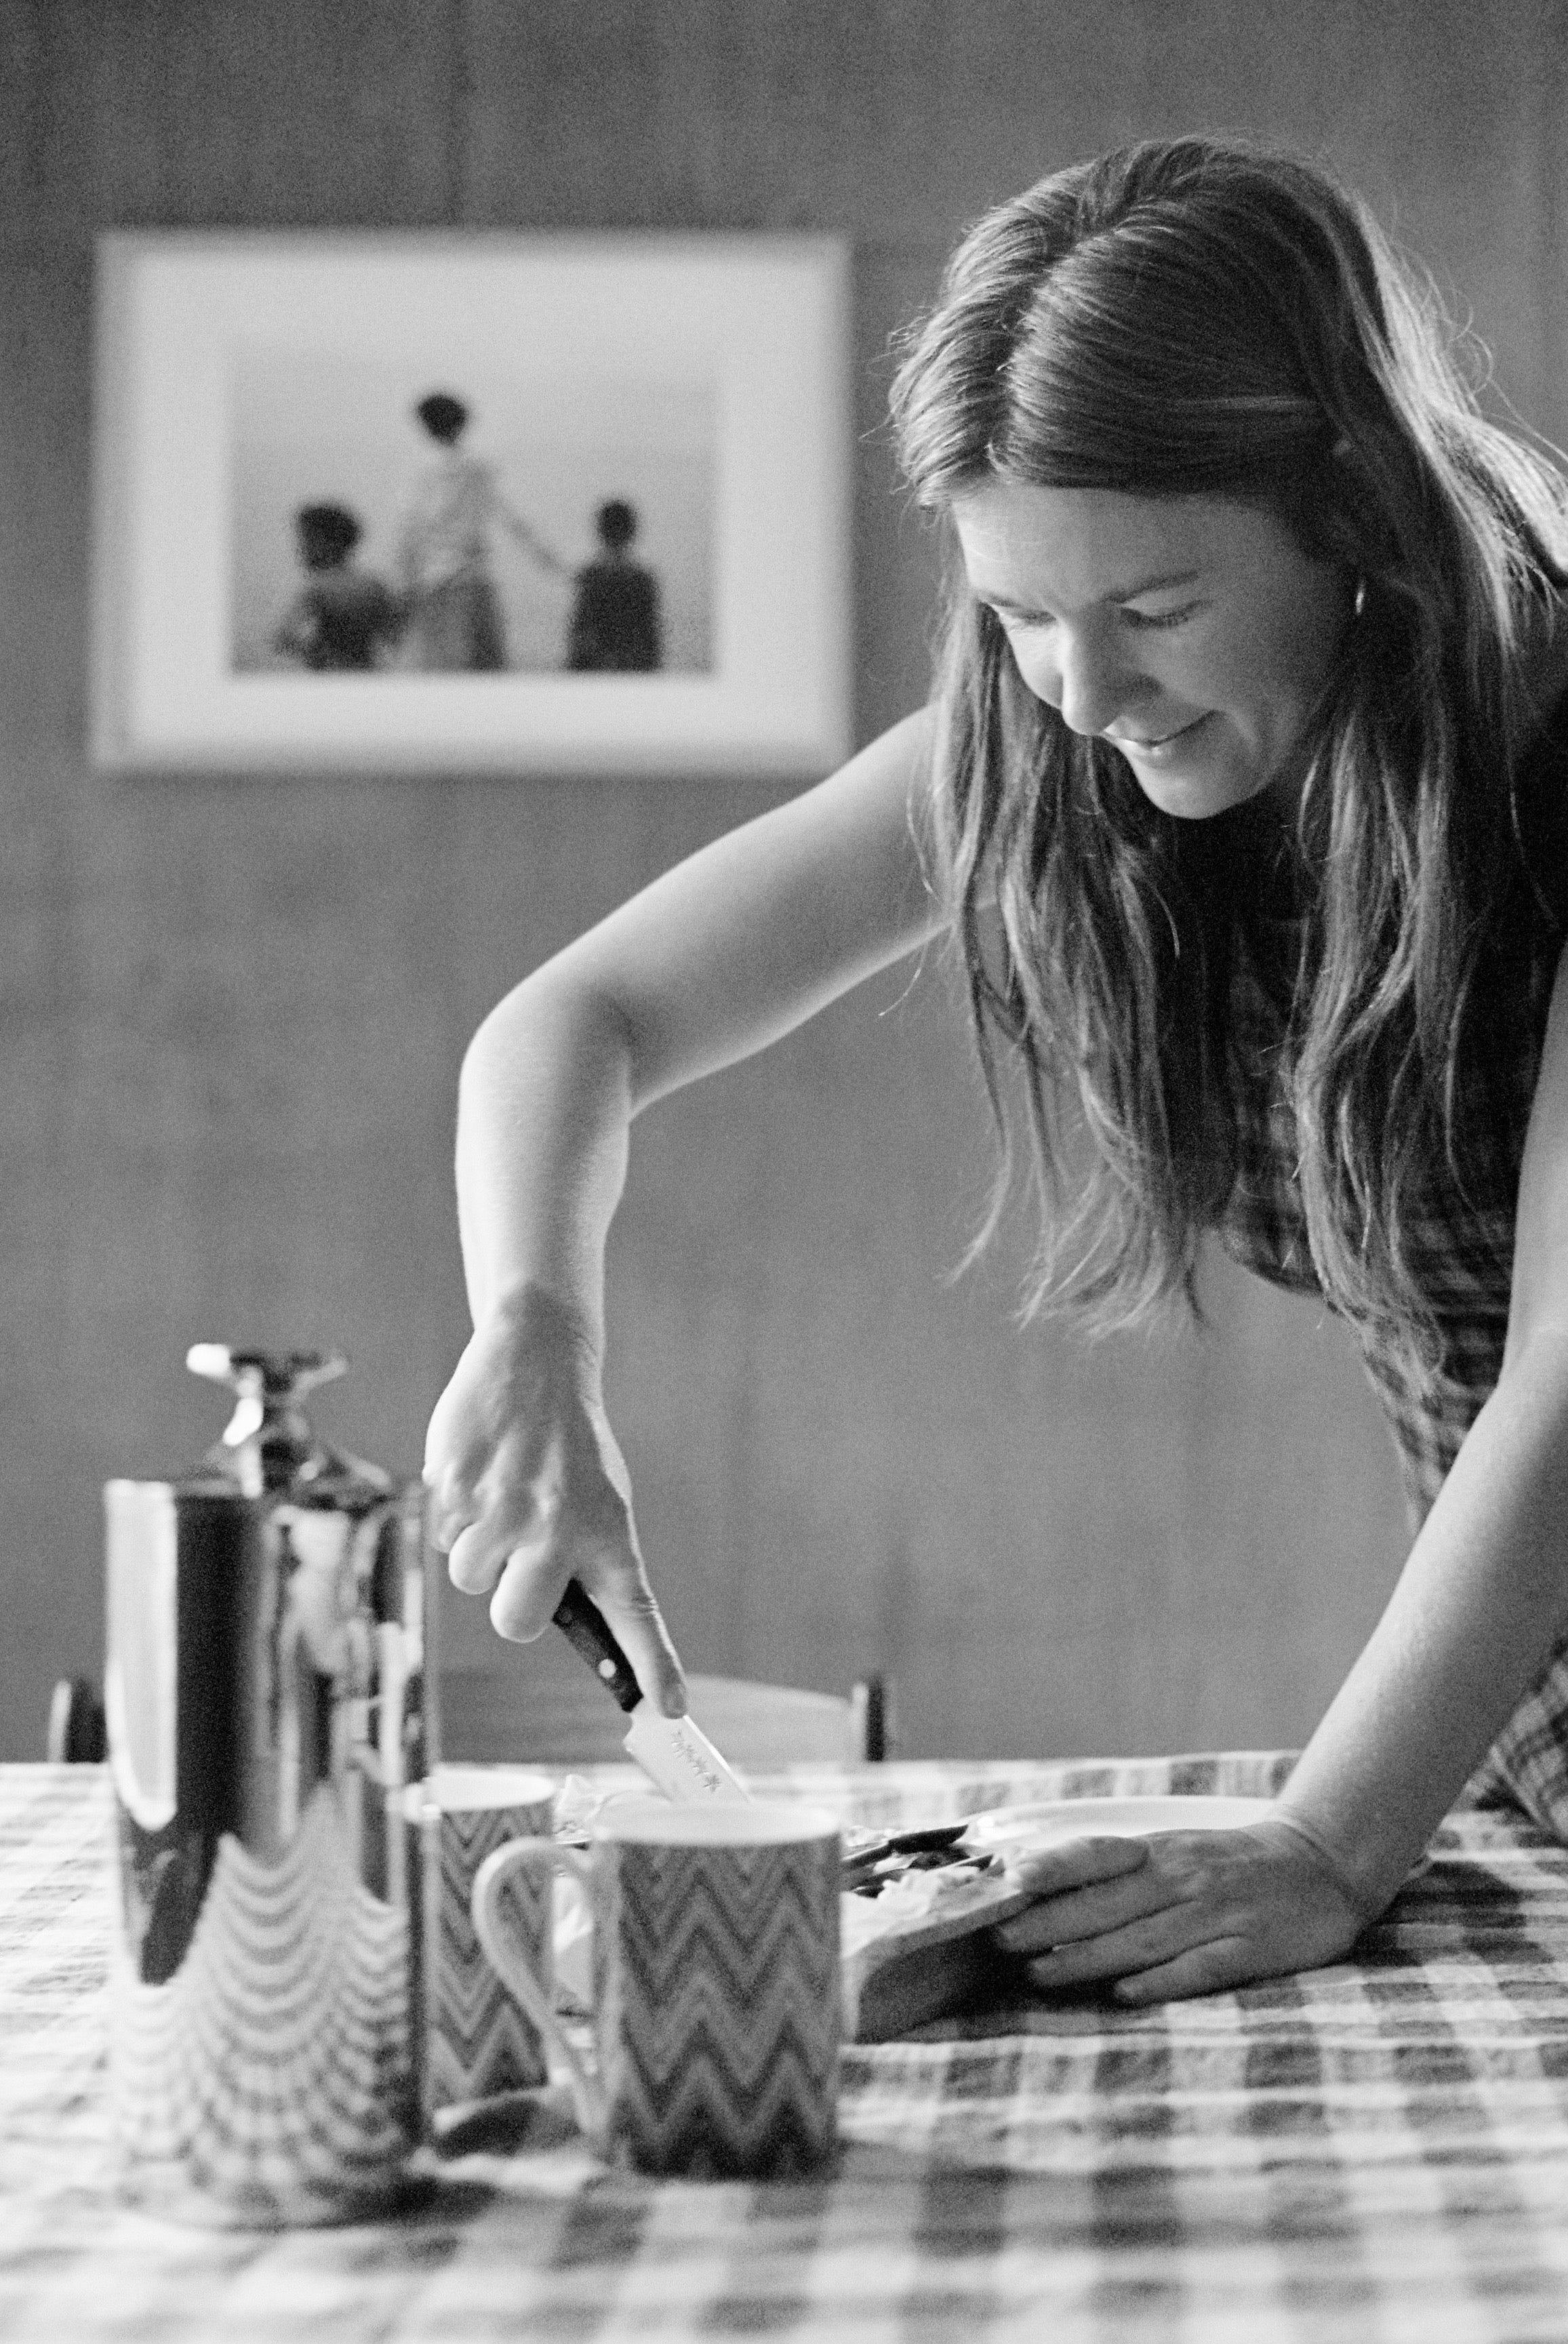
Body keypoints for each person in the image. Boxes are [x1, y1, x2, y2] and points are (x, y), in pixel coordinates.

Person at [422, 136, 1568, 2006]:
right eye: (1021, 616)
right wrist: (537, 1324)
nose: (1085, 699)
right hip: (1521, 1757)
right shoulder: (1049, 738)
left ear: (1352, 509)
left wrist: (1331, 1838)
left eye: (1154, 609)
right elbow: (576, 1023)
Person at [397, 391, 561, 671]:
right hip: (476, 578)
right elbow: (515, 520)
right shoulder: (479, 468)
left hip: (438, 582)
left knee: (446, 674)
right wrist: (550, 560)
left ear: (425, 426)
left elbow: (410, 532)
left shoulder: (423, 472)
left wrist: (405, 584)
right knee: (486, 671)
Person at [272, 502, 403, 671]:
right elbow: (397, 636)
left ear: (326, 543)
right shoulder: (375, 586)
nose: (301, 550)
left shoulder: (317, 588)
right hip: (369, 674)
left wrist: (313, 651)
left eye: (307, 541)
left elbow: (283, 638)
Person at [567, 498, 663, 672]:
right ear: (633, 533)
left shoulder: (591, 577)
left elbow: (580, 643)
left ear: (600, 532)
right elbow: (651, 648)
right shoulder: (643, 581)